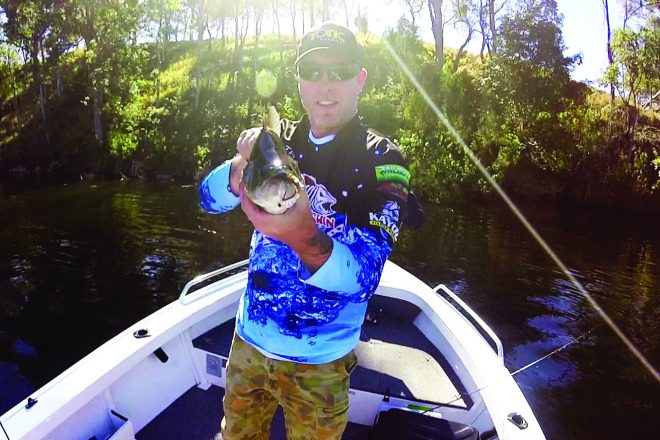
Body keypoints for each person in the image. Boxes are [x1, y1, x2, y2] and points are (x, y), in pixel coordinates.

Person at [200, 22, 412, 440]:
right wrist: (238, 170)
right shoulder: (279, 141)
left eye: (340, 70)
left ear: (360, 80)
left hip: (321, 362)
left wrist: (302, 235)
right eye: (313, 71)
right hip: (249, 342)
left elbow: (365, 277)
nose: (325, 84)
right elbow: (208, 201)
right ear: (299, 80)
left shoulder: (384, 160)